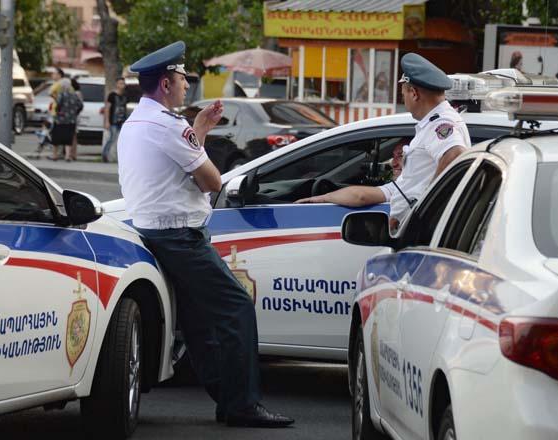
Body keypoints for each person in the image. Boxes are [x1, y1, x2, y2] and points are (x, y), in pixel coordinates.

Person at [117, 41, 294, 428]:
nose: (186, 85)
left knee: (198, 323)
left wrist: (197, 131)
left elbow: (173, 167)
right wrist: (194, 134)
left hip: (158, 233)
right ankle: (242, 404)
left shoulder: (137, 123)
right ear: (165, 83)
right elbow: (211, 180)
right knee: (237, 308)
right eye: (182, 78)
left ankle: (228, 399)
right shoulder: (168, 125)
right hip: (180, 237)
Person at [296, 53, 470, 233]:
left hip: (424, 230)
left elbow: (455, 154)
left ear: (414, 93)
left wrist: (422, 211)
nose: (403, 100)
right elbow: (368, 195)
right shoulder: (432, 125)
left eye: (403, 94)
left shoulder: (440, 124)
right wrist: (325, 198)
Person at [49, 78, 82, 161]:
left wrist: (57, 112)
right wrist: (75, 113)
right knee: (68, 138)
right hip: (71, 120)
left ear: (62, 86)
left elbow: (58, 105)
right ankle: (67, 156)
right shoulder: (74, 95)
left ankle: (54, 155)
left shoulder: (61, 94)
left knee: (56, 138)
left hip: (60, 120)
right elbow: (80, 105)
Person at [102, 76, 127, 162]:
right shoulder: (112, 95)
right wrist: (107, 121)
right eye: (120, 83)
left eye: (123, 83)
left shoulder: (124, 95)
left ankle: (117, 157)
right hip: (113, 120)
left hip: (122, 120)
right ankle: (105, 155)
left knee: (120, 140)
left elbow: (124, 108)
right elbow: (107, 108)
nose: (122, 85)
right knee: (111, 138)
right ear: (117, 84)